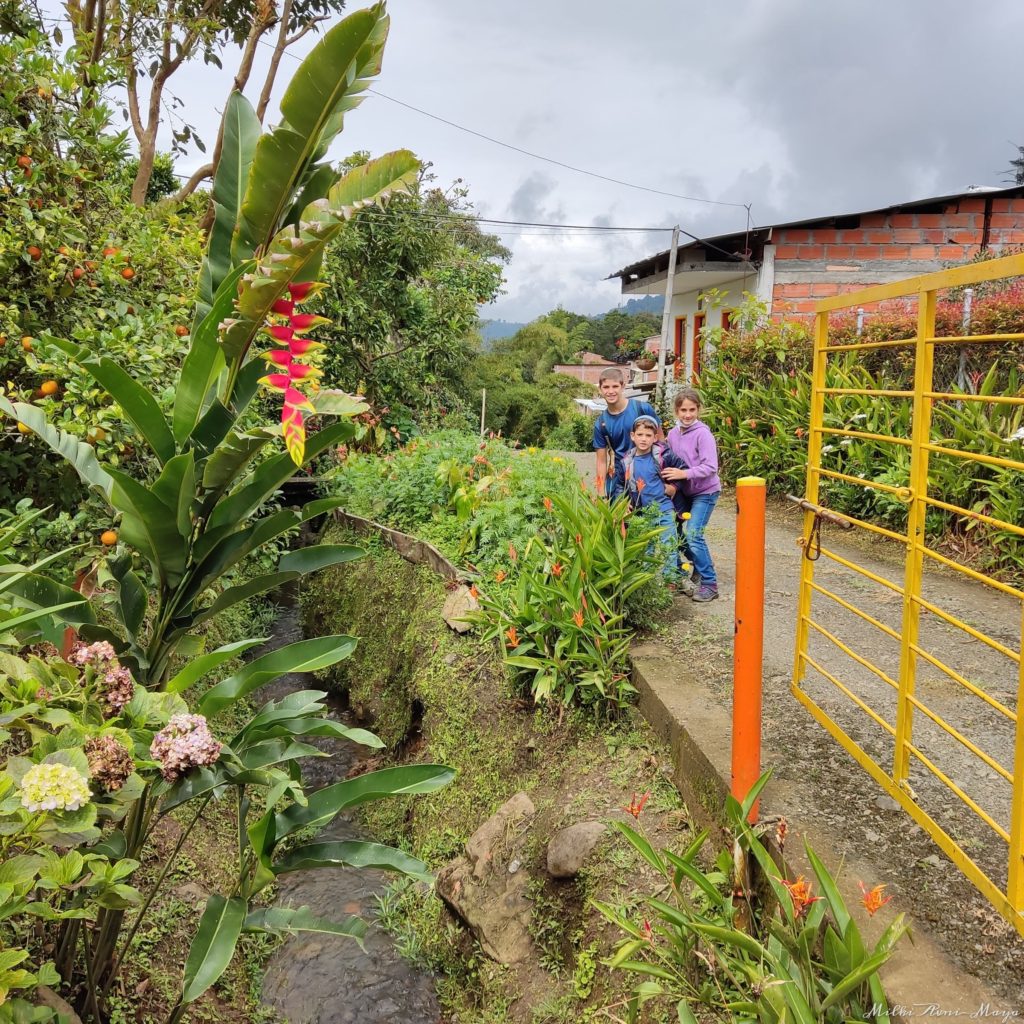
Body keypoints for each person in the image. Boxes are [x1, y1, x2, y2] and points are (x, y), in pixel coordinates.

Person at [661, 388, 721, 603]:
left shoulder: (703, 433)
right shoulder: (673, 434)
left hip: (705, 491)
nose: (688, 415)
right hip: (683, 491)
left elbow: (711, 467)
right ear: (676, 411)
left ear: (698, 410)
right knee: (675, 533)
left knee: (694, 535)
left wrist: (684, 473)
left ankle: (710, 583)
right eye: (683, 410)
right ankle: (689, 568)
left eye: (692, 410)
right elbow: (669, 461)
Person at [612, 414, 688, 579]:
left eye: (648, 435)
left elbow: (683, 468)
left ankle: (671, 580)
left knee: (669, 544)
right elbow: (618, 485)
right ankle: (646, 582)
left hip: (664, 509)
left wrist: (674, 487)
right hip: (642, 512)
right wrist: (622, 504)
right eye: (640, 435)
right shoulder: (626, 461)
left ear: (655, 437)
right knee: (647, 548)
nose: (644, 439)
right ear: (632, 436)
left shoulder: (663, 455)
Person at [593, 367, 660, 499]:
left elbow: (661, 443)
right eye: (606, 387)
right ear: (600, 389)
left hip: (647, 473)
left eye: (615, 386)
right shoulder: (601, 423)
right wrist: (601, 493)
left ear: (623, 386)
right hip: (619, 478)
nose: (610, 391)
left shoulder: (643, 409)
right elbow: (601, 461)